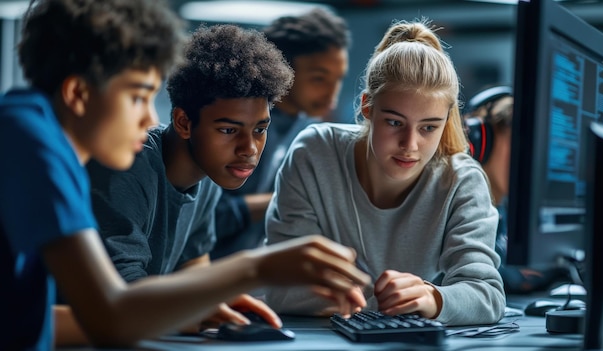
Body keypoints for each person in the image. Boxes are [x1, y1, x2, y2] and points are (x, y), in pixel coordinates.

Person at [0, 1, 370, 349]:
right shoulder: (33, 139)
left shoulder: (37, 138)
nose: (148, 118)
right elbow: (110, 315)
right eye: (138, 96)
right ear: (78, 93)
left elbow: (30, 319)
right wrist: (258, 268)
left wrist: (194, 306)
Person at [264, 18, 506, 326]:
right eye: (394, 122)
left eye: (429, 127)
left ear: (447, 120)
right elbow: (281, 286)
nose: (410, 145)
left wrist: (432, 298)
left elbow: (488, 294)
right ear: (367, 107)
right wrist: (394, 302)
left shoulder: (461, 180)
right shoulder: (314, 153)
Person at [211, 7, 351, 260]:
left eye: (338, 79)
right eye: (319, 79)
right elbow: (205, 216)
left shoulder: (307, 128)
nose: (332, 94)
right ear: (282, 68)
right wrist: (293, 198)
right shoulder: (233, 121)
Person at [463, 85, 571, 294]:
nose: (528, 164)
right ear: (479, 144)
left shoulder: (502, 212)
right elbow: (495, 276)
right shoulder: (463, 209)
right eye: (517, 151)